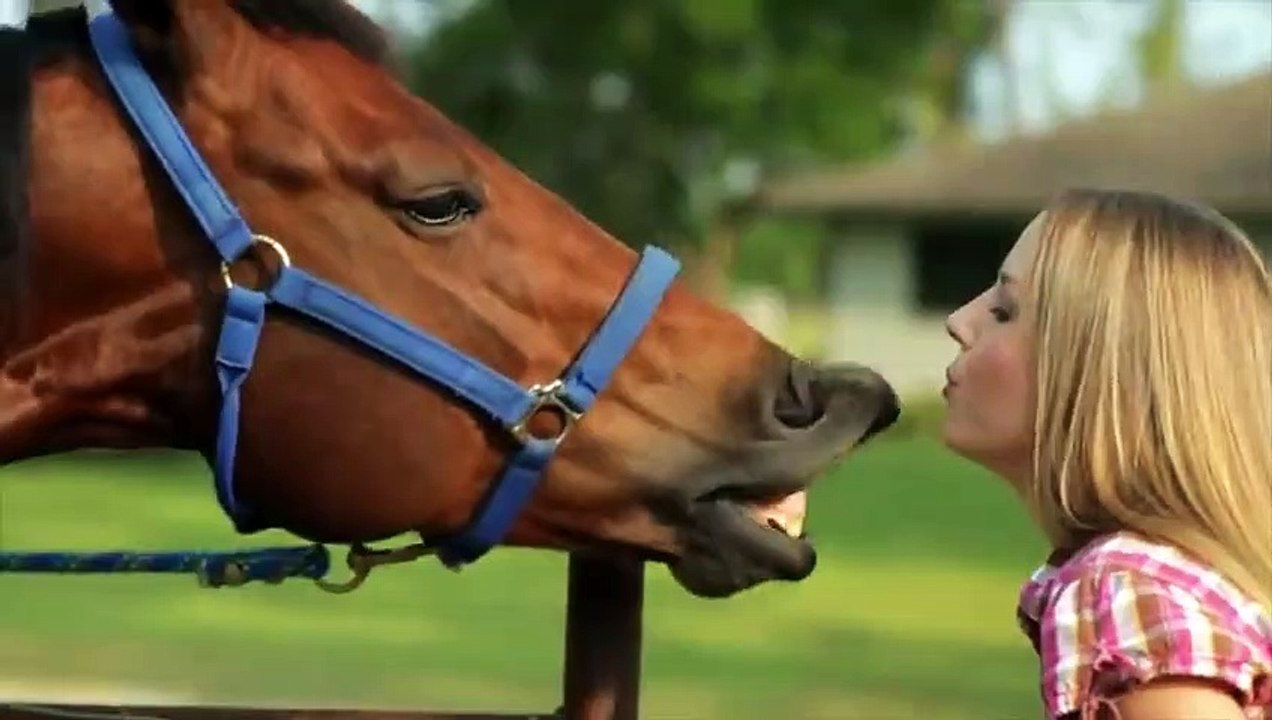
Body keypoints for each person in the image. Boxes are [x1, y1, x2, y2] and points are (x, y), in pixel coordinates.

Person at [942, 188, 1272, 720]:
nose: (959, 321)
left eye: (1005, 311)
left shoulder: (1125, 595)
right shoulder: (1182, 584)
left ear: (1107, 379)